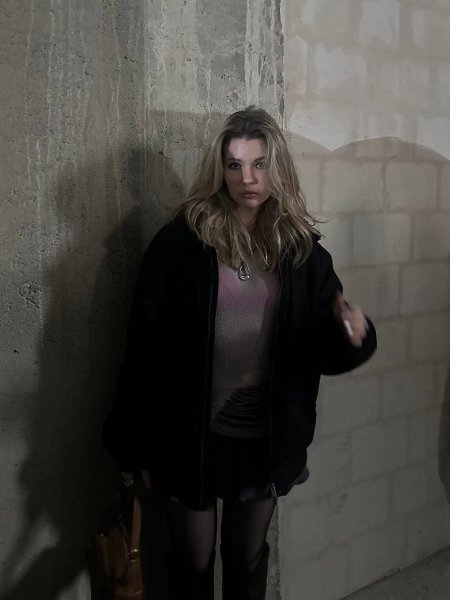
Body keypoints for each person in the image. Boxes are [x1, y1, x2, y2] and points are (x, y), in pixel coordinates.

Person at [102, 107, 377, 600]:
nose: (247, 178)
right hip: (189, 436)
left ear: (278, 168)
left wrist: (352, 334)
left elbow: (319, 347)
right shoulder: (180, 245)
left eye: (259, 164)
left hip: (263, 439)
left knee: (246, 557)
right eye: (235, 165)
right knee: (193, 559)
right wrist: (130, 443)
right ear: (220, 169)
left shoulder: (302, 253)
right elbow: (143, 348)